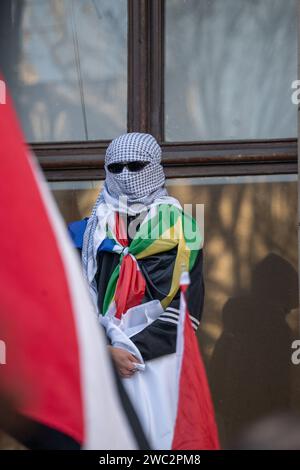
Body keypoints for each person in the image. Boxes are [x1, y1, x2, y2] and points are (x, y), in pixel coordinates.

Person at [69, 132, 205, 448]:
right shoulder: (82, 236)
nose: (126, 176)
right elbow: (72, 304)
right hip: (101, 369)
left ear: (155, 167)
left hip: (162, 364)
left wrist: (134, 351)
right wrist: (104, 352)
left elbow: (190, 309)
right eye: (116, 168)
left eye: (136, 165)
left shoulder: (184, 231)